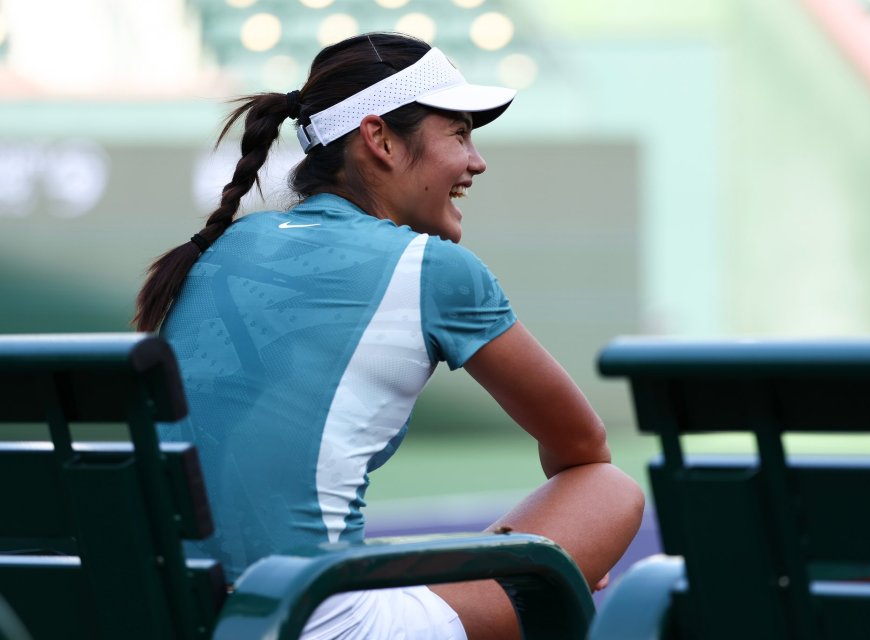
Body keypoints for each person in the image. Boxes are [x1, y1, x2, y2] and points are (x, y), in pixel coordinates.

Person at [134, 32, 644, 640]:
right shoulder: (437, 270)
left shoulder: (224, 247)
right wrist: (563, 561)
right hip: (311, 619)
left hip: (174, 615)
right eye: (458, 134)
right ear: (378, 139)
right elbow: (583, 450)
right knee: (609, 492)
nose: (475, 161)